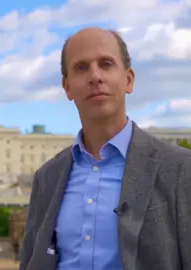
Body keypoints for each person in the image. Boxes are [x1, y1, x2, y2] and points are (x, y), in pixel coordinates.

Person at [19, 27, 191, 270]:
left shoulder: (180, 169)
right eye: (81, 67)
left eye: (106, 64)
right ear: (67, 87)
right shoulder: (47, 177)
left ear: (128, 80)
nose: (95, 77)